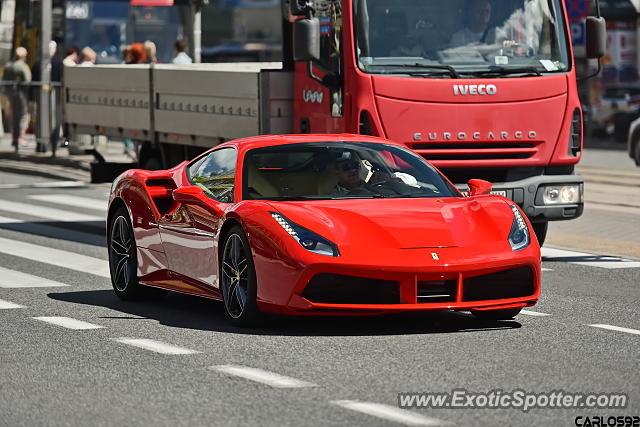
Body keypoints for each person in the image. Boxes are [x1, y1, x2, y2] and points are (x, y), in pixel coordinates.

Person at [2, 47, 32, 149]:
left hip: (10, 94)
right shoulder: (22, 66)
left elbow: (4, 80)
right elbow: (28, 80)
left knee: (14, 117)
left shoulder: (9, 66)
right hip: (20, 95)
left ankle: (14, 139)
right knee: (23, 116)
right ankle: (20, 138)